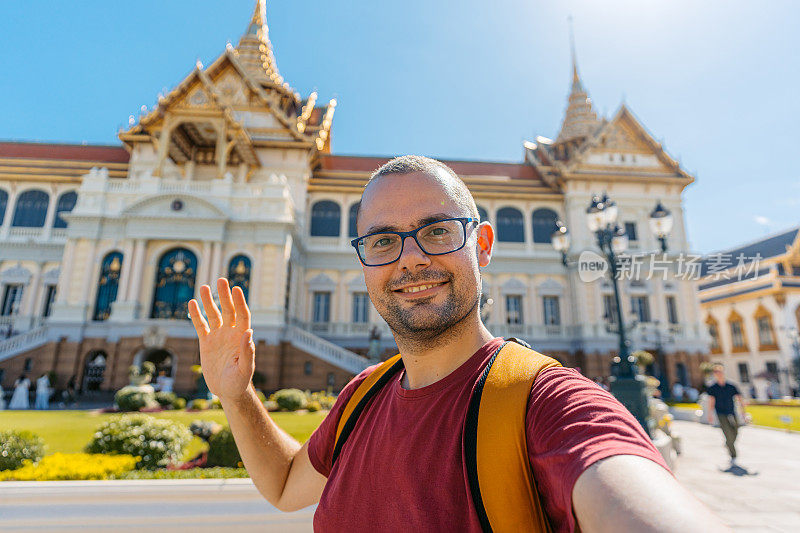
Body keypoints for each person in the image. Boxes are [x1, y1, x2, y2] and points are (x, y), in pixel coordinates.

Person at [188, 156, 725, 531]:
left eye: (437, 230)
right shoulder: (361, 399)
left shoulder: (546, 402)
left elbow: (629, 493)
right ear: (364, 264)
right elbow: (284, 485)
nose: (410, 259)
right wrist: (236, 395)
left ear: (483, 244)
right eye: (383, 241)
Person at [706, 364, 748, 466]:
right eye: (716, 373)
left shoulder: (731, 385)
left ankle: (728, 443)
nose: (718, 374)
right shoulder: (713, 387)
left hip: (732, 412)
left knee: (736, 429)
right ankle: (733, 455)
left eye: (720, 372)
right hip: (721, 413)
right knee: (728, 433)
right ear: (714, 375)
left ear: (723, 373)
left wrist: (744, 412)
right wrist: (710, 414)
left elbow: (739, 398)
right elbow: (711, 401)